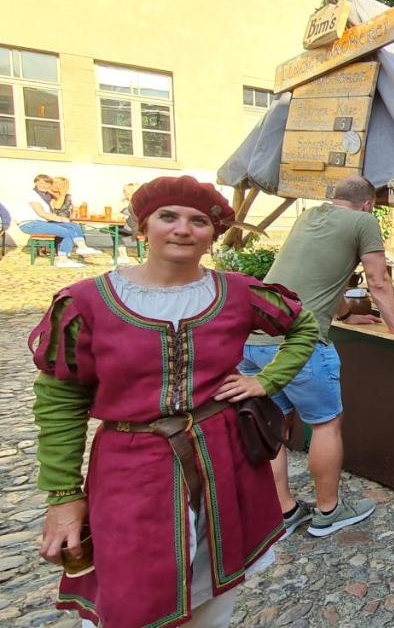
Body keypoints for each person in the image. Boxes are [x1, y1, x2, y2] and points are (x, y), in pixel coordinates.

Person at [30, 175, 319, 628]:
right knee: (130, 599)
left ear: (212, 235)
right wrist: (64, 496)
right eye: (168, 217)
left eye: (198, 221)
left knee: (213, 590)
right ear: (143, 228)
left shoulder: (237, 293)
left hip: (224, 459)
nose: (183, 229)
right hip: (130, 469)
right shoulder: (87, 303)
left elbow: (303, 327)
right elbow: (59, 402)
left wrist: (266, 381)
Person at [239, 176, 394, 539]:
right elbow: (378, 280)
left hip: (253, 340)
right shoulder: (364, 222)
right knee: (325, 424)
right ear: (368, 205)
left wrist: (346, 315)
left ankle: (284, 511)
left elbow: (322, 281)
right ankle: (329, 511)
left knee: (272, 424)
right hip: (298, 344)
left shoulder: (307, 218)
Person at [16, 174, 100, 268]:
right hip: (29, 224)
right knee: (67, 232)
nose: (45, 185)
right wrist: (61, 219)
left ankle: (82, 247)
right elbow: (42, 213)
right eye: (41, 183)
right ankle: (63, 260)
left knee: (74, 226)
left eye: (48, 183)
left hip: (40, 223)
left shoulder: (45, 196)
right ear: (35, 183)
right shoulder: (31, 194)